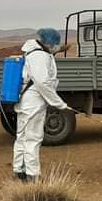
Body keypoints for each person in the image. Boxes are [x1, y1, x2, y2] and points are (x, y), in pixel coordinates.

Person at [12, 28, 70, 182]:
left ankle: (19, 170)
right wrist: (59, 103)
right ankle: (33, 175)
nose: (56, 47)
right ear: (49, 43)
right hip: (33, 102)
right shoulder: (39, 56)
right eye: (56, 44)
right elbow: (43, 82)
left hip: (26, 101)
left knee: (22, 137)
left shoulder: (33, 53)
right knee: (33, 138)